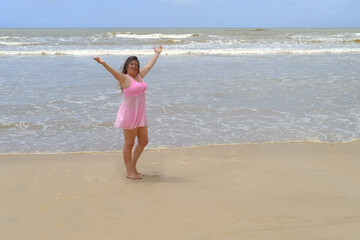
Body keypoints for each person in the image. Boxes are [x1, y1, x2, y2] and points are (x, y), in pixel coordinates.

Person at [93, 45, 162, 179]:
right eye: (131, 64)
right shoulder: (125, 79)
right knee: (129, 144)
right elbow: (114, 73)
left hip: (140, 114)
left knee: (143, 141)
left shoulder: (140, 76)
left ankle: (132, 166)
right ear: (127, 66)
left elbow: (149, 65)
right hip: (129, 115)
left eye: (136, 64)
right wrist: (104, 63)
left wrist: (157, 54)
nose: (134, 66)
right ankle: (129, 171)